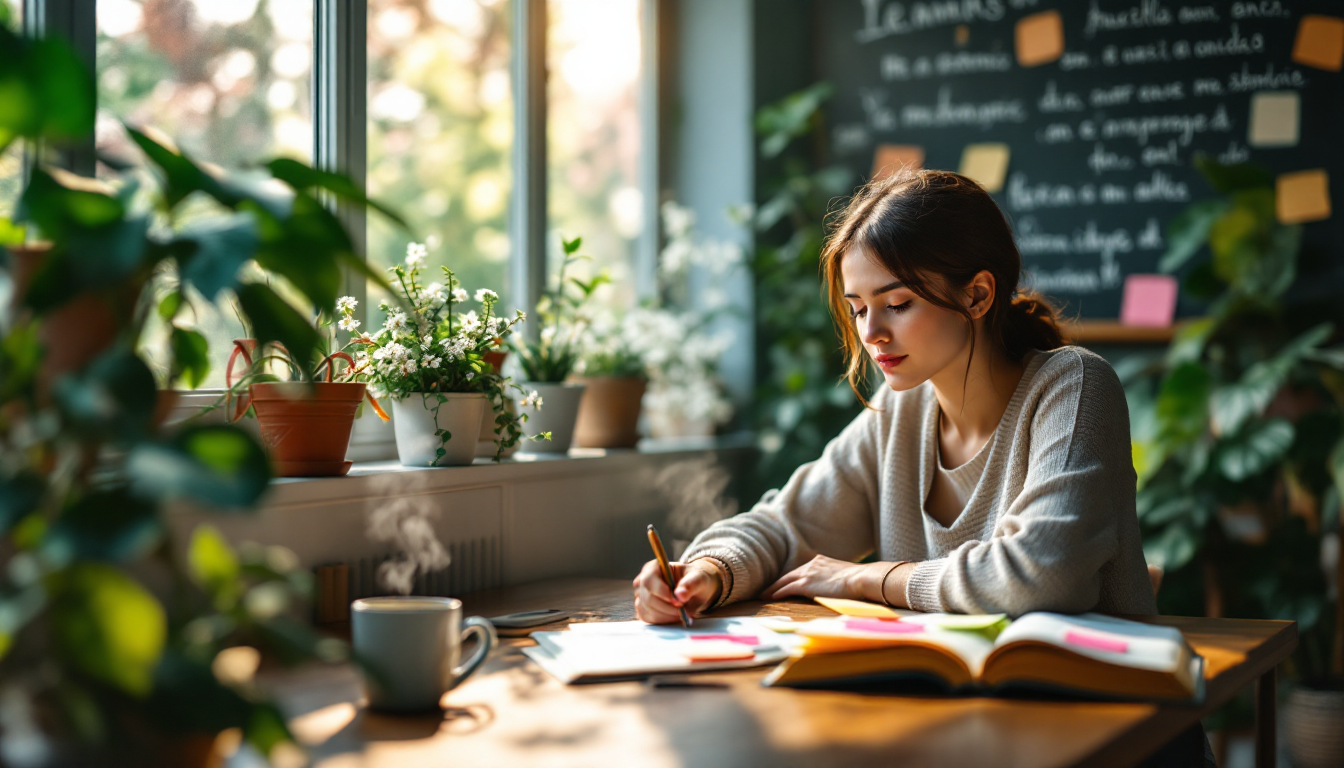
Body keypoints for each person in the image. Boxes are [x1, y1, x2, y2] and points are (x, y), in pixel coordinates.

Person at [633, 169, 1158, 624]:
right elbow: (787, 526)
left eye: (898, 303)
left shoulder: (1073, 386)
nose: (871, 333)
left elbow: (1042, 575)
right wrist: (708, 571)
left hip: (1113, 723)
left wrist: (870, 579)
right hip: (968, 717)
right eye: (858, 308)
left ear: (977, 294)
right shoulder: (902, 412)